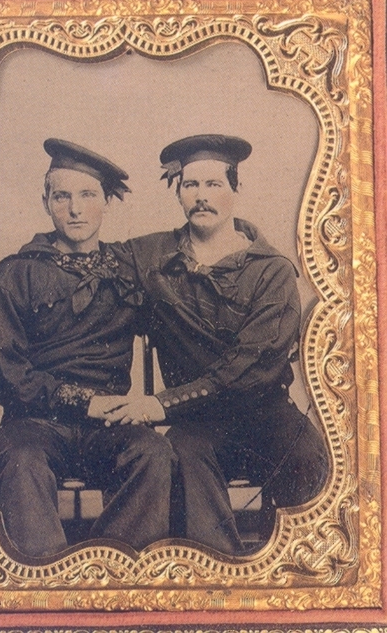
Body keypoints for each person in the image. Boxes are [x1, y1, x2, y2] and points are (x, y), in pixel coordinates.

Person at [95, 134, 329, 555]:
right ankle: (218, 569)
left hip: (267, 413)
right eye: (191, 185)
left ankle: (300, 571)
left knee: (310, 458)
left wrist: (161, 403)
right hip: (197, 423)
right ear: (178, 192)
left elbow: (252, 367)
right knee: (183, 454)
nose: (201, 196)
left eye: (214, 184)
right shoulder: (150, 257)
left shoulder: (272, 271)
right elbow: (86, 261)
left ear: (236, 189)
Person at [0, 139, 176, 558]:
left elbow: (186, 265)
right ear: (46, 202)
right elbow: (3, 374)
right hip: (35, 422)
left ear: (106, 202)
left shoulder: (129, 269)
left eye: (87, 195)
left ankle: (108, 568)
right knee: (24, 463)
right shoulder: (17, 273)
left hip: (108, 425)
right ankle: (47, 580)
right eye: (62, 196)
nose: (75, 209)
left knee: (153, 453)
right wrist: (85, 402)